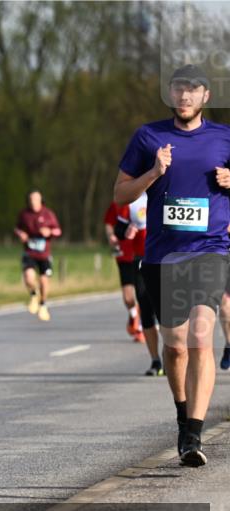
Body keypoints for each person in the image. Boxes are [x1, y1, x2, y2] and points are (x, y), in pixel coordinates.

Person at [114, 64, 230, 466]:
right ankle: (183, 418)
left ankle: (194, 434)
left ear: (205, 96)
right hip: (163, 257)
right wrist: (153, 172)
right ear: (170, 94)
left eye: (193, 90)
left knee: (201, 337)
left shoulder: (224, 137)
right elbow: (120, 195)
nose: (185, 96)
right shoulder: (148, 137)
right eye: (179, 89)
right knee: (176, 347)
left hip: (210, 250)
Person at [104, 194, 165, 376]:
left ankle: (171, 355)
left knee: (167, 313)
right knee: (146, 310)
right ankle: (156, 361)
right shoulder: (134, 198)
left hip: (167, 259)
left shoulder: (171, 191)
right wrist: (126, 231)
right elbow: (118, 228)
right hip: (142, 261)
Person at [15, 190, 62, 321]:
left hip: (44, 254)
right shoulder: (24, 214)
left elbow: (58, 230)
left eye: (36, 199)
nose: (33, 202)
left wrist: (49, 232)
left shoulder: (48, 214)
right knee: (28, 277)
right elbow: (17, 228)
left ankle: (43, 305)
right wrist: (21, 234)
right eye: (31, 200)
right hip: (29, 251)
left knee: (43, 281)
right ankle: (34, 294)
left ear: (41, 200)